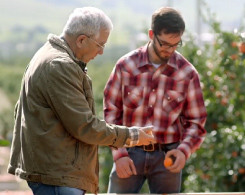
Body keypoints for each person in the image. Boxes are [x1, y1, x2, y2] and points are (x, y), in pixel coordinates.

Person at [7, 7, 155, 195]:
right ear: (82, 40)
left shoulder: (47, 55)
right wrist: (132, 136)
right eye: (100, 44)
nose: (101, 52)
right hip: (59, 176)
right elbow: (84, 126)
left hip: (55, 173)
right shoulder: (60, 66)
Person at [103, 7, 207, 194]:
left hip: (167, 156)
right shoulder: (126, 66)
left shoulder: (187, 73)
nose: (169, 50)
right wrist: (118, 155)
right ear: (151, 34)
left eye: (175, 44)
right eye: (164, 44)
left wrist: (184, 151)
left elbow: (196, 121)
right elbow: (111, 112)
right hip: (129, 153)